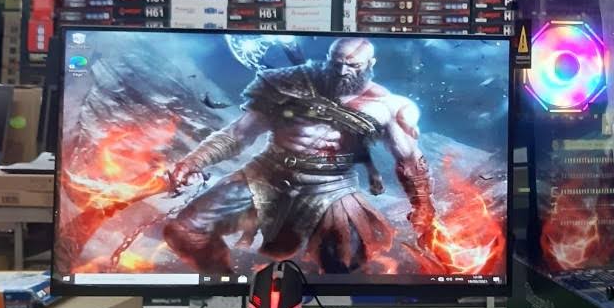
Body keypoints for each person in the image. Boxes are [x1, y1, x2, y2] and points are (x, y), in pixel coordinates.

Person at [163, 38, 436, 274]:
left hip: (331, 187)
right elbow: (239, 134)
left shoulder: (386, 106)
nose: (342, 72)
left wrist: (423, 206)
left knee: (345, 264)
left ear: (370, 64)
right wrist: (193, 162)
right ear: (328, 59)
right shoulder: (286, 84)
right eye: (336, 63)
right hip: (267, 173)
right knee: (184, 230)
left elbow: (409, 160)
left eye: (353, 66)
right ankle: (229, 289)